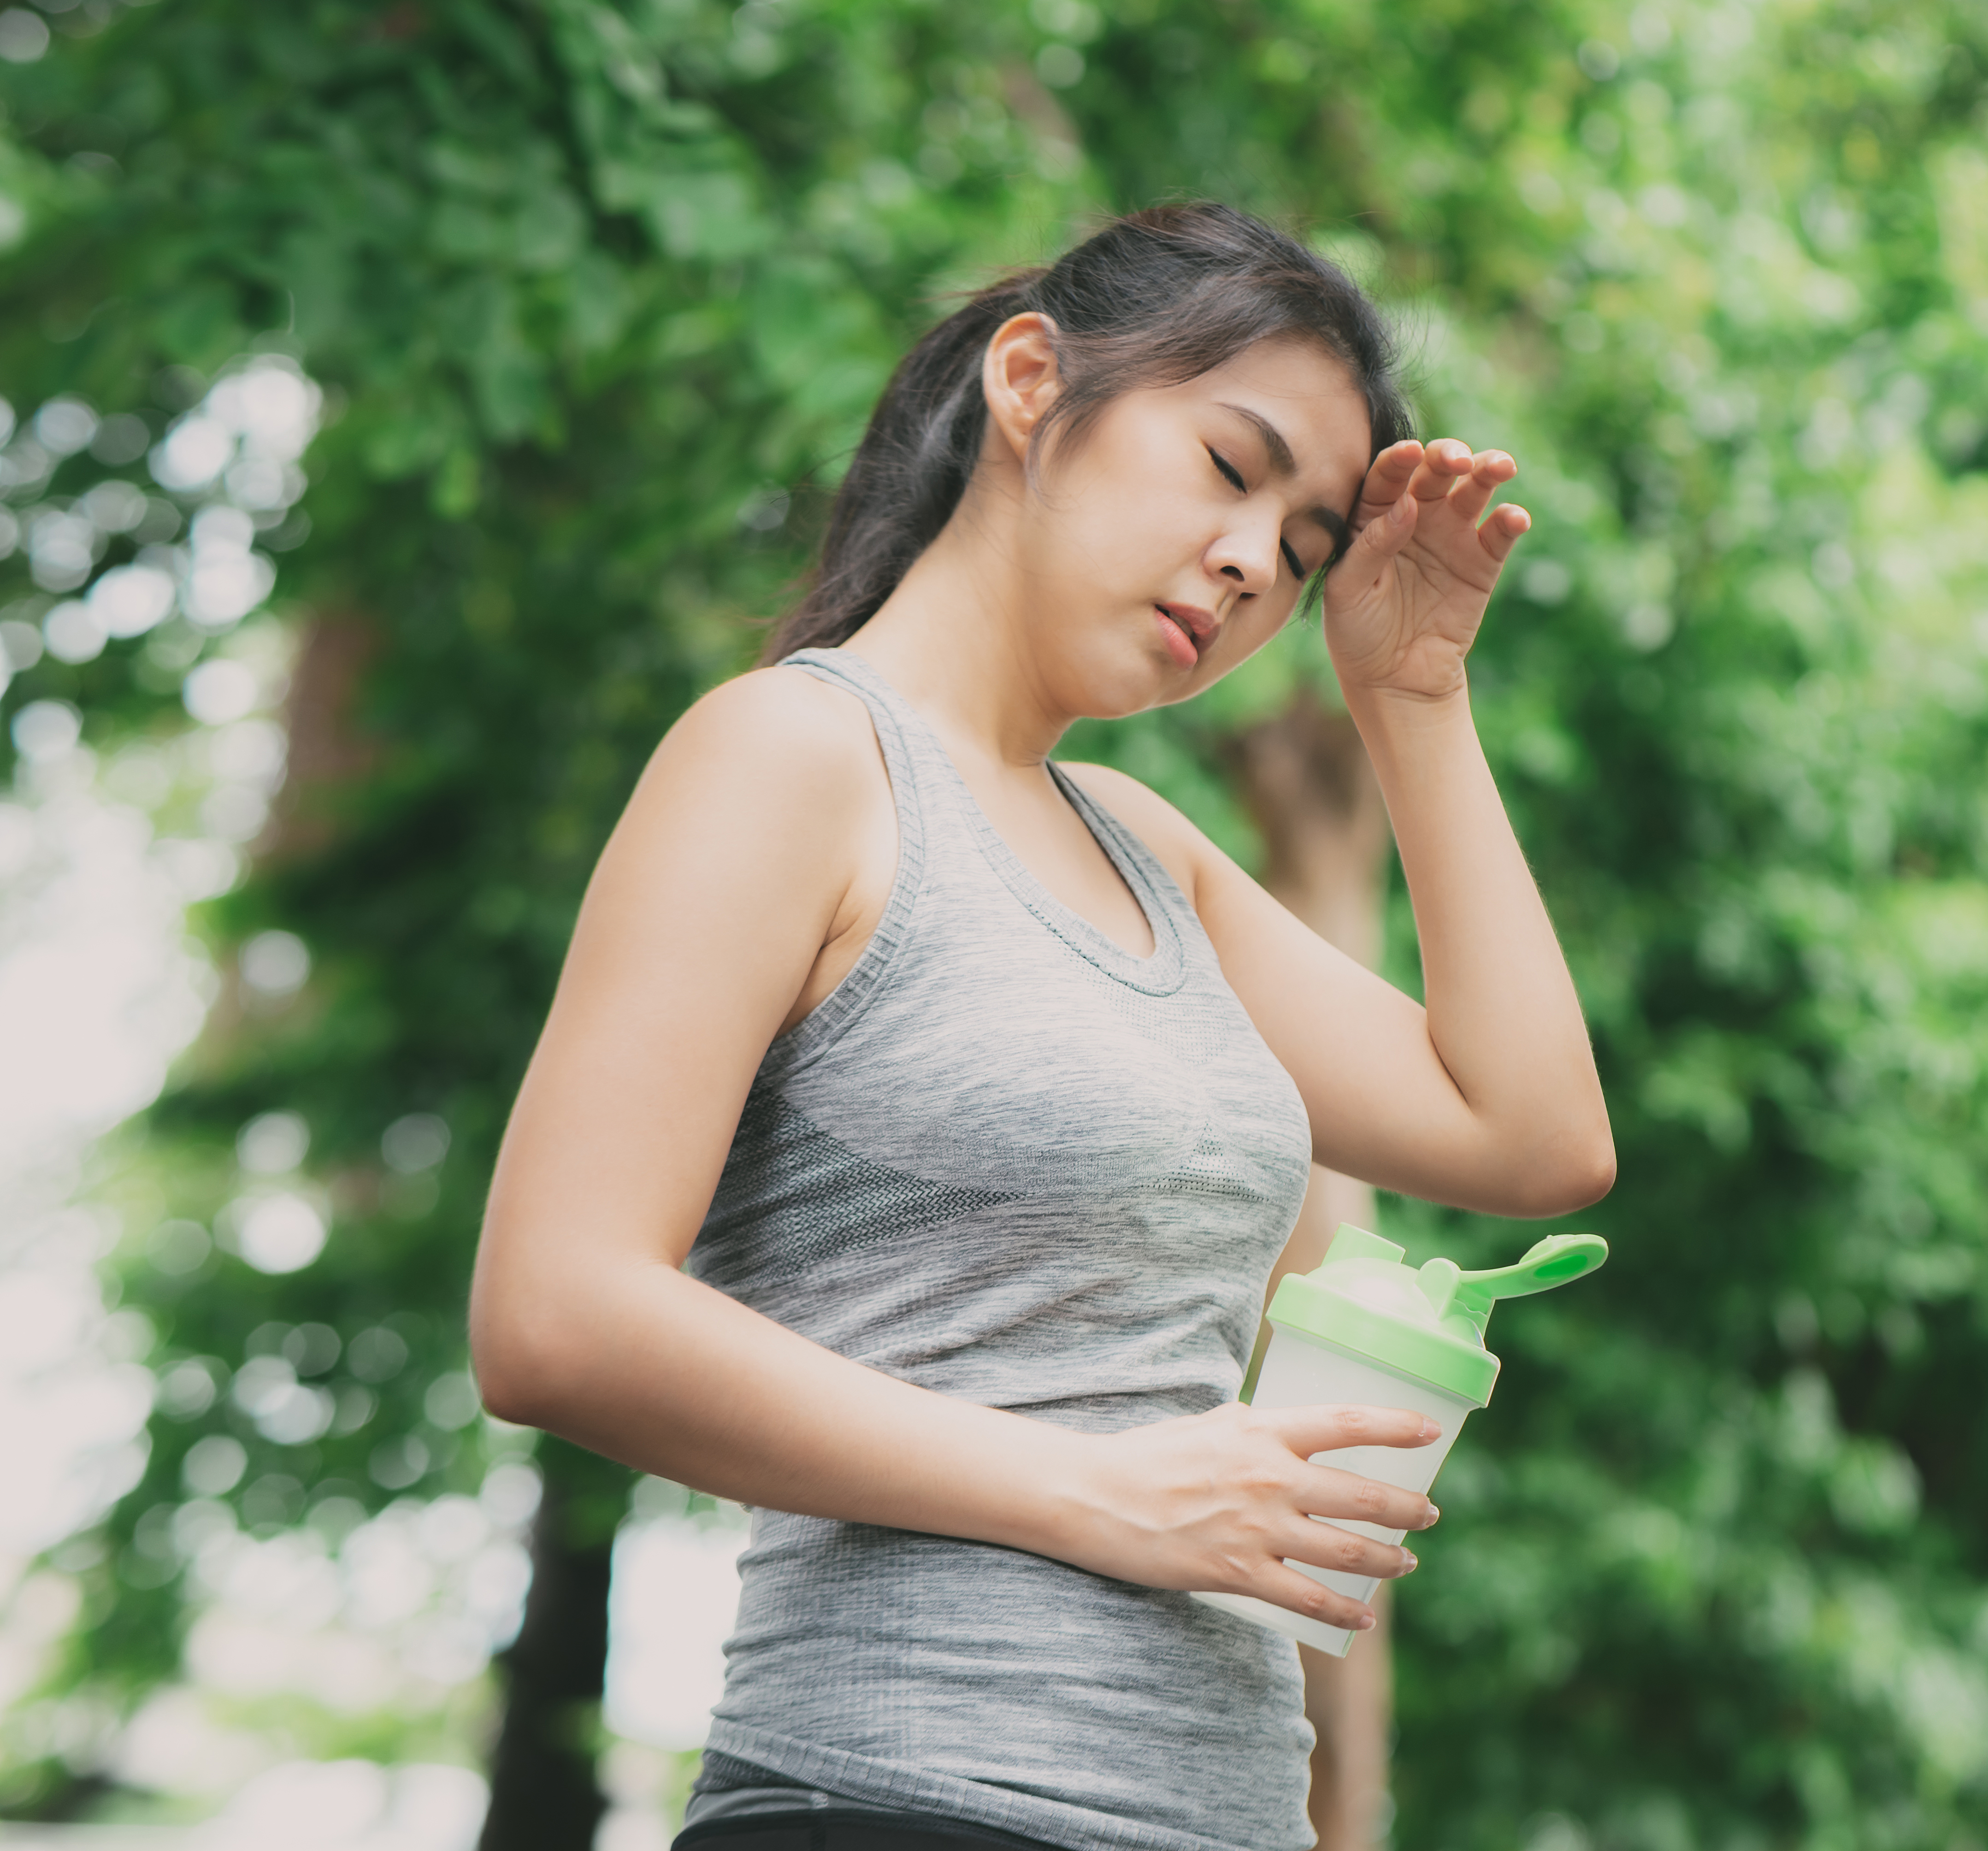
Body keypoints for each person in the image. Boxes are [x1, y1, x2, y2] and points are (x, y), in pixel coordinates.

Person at [468, 201, 1615, 1851]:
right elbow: (553, 1315)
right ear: (1029, 384)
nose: (1249, 565)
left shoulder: (1152, 858)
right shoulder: (793, 760)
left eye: (1300, 552)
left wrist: (1413, 695)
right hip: (893, 1803)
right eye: (1232, 469)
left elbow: (1536, 1137)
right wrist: (1113, 1494)